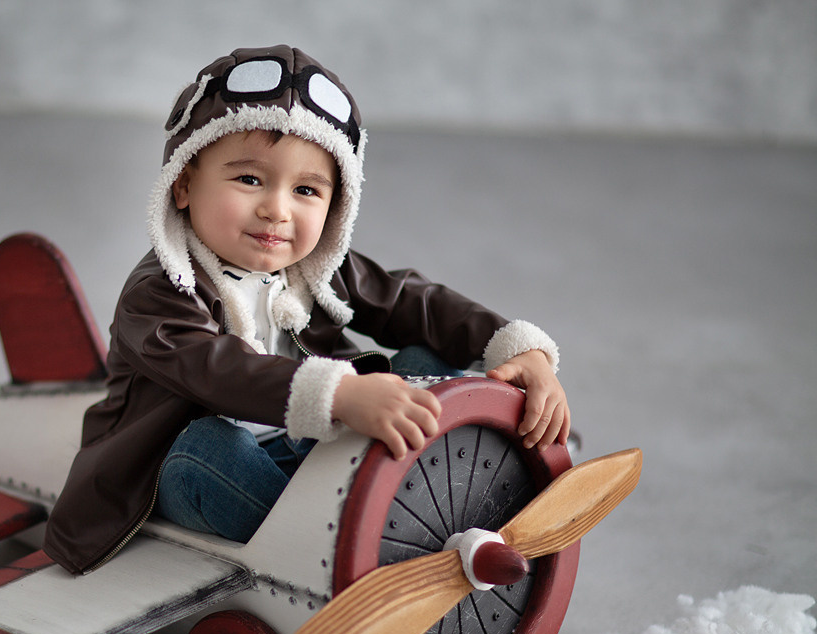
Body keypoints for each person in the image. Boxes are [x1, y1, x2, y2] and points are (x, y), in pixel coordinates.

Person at [43, 45, 569, 575]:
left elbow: (413, 300)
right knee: (208, 450)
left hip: (311, 451)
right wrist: (337, 393)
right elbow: (216, 371)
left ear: (336, 205)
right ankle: (372, 546)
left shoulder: (314, 268)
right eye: (249, 180)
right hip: (179, 468)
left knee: (420, 356)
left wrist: (517, 350)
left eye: (305, 190)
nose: (277, 208)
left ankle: (428, 497)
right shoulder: (159, 293)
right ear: (182, 184)